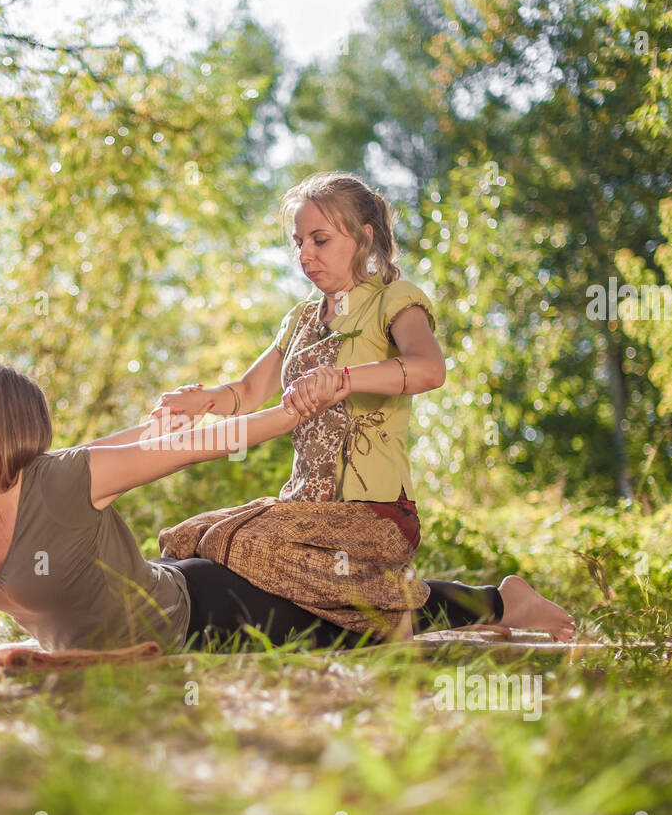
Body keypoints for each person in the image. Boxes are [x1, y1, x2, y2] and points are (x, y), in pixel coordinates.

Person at [153, 170, 576, 641]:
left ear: (363, 239)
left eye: (320, 240)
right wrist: (205, 399)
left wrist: (346, 379)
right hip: (307, 511)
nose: (304, 255)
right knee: (184, 537)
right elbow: (250, 392)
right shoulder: (300, 319)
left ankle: (495, 605)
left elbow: (429, 369)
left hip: (375, 515)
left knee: (247, 544)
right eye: (298, 242)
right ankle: (406, 616)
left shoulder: (395, 301)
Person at [0, 355, 572, 653]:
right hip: (163, 614)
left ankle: (502, 600)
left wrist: (285, 414)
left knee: (358, 614)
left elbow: (202, 444)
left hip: (210, 612)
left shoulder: (63, 482)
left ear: (2, 428)